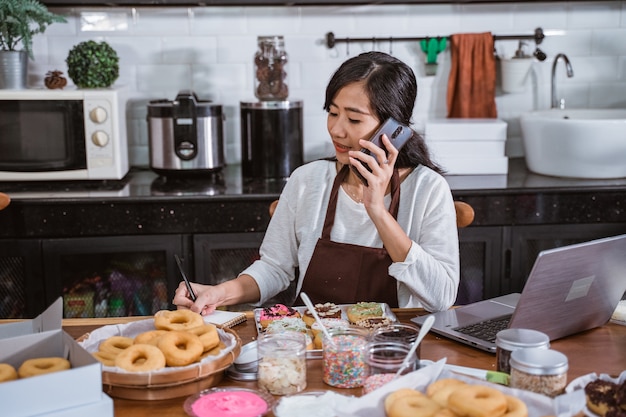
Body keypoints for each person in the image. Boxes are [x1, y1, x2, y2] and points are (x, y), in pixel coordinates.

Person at [173, 51, 459, 314]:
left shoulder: (428, 190)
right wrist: (218, 294)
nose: (336, 129)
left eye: (354, 119)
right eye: (333, 113)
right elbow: (274, 268)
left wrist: (377, 211)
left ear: (393, 129)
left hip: (391, 349)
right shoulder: (307, 180)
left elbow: (442, 296)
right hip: (312, 340)